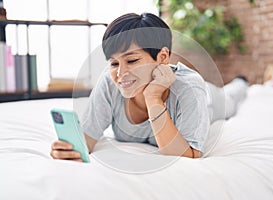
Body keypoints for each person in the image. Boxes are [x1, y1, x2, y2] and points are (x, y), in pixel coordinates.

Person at [50, 12, 248, 161]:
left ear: (162, 57)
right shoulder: (110, 81)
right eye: (114, 63)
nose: (120, 74)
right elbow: (88, 137)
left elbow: (187, 157)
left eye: (132, 60)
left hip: (209, 98)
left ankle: (242, 83)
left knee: (229, 98)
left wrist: (153, 98)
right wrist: (69, 148)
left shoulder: (189, 87)